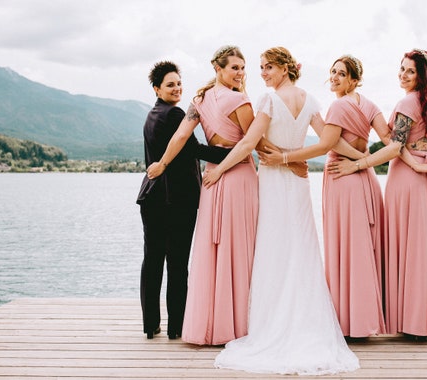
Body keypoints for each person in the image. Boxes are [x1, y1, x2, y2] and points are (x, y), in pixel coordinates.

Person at [205, 47, 359, 375]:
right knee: (300, 249)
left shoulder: (268, 101)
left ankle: (272, 325)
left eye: (269, 67)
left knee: (276, 249)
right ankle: (303, 323)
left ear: (286, 67)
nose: (263, 73)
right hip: (296, 183)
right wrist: (299, 158)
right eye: (260, 68)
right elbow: (329, 142)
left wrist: (219, 169)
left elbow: (247, 143)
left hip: (275, 182)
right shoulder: (311, 100)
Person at [329, 49, 427, 341]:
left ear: (422, 75)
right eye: (401, 69)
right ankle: (424, 322)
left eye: (410, 71)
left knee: (407, 247)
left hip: (406, 178)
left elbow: (393, 147)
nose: (403, 75)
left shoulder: (406, 103)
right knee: (424, 247)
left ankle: (411, 322)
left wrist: (359, 164)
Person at [260, 54, 388, 338]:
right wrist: (367, 160)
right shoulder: (370, 106)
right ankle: (366, 320)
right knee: (364, 249)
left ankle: (348, 322)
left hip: (342, 176)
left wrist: (284, 157)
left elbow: (327, 144)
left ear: (354, 79)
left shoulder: (339, 105)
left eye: (340, 74)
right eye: (332, 72)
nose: (333, 77)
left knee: (344, 249)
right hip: (366, 179)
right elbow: (392, 142)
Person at [147, 45, 258, 346]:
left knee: (213, 248)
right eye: (234, 67)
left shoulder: (199, 101)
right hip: (236, 175)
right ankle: (237, 324)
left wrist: (162, 163)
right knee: (237, 249)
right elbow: (252, 144)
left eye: (243, 67)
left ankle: (210, 323)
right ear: (218, 69)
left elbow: (182, 137)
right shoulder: (239, 99)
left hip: (210, 178)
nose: (240, 73)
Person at [136, 61, 230, 340]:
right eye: (170, 85)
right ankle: (176, 327)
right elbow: (195, 150)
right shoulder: (175, 113)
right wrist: (236, 153)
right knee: (177, 264)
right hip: (175, 199)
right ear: (157, 88)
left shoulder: (153, 114)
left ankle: (151, 324)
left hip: (151, 196)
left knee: (152, 260)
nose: (177, 88)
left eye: (178, 83)